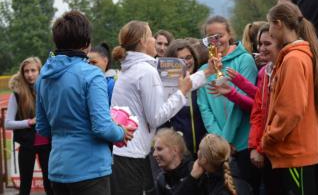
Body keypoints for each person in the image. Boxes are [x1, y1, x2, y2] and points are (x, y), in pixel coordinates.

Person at [35, 11, 133, 195]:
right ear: (87, 43)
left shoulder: (43, 78)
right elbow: (102, 127)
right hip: (90, 170)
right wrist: (121, 132)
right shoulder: (92, 74)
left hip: (57, 169)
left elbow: (43, 128)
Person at [110, 21, 192, 195]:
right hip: (133, 156)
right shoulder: (145, 71)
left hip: (123, 153)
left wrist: (206, 74)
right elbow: (156, 117)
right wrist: (181, 92)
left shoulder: (129, 69)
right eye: (151, 36)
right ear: (142, 41)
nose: (155, 40)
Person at [261, 1, 318, 195]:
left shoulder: (293, 59)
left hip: (295, 151)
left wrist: (270, 137)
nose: (271, 33)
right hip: (296, 150)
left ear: (279, 23)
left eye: (271, 26)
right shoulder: (296, 56)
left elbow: (292, 109)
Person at [209, 24, 283, 194]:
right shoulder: (264, 71)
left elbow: (268, 108)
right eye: (260, 44)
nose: (262, 48)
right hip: (258, 145)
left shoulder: (246, 61)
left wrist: (254, 146)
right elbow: (260, 105)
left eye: (267, 44)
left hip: (269, 146)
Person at [197, 16, 259, 193]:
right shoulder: (204, 70)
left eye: (220, 35)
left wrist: (226, 140)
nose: (216, 41)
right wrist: (219, 142)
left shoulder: (244, 60)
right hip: (219, 150)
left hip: (242, 144)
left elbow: (242, 102)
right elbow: (204, 107)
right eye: (211, 38)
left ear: (230, 34)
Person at [5, 57, 53, 195]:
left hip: (46, 142)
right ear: (22, 73)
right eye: (26, 71)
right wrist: (29, 122)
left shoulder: (48, 89)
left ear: (39, 71)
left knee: (50, 182)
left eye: (33, 70)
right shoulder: (17, 94)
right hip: (27, 143)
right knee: (25, 184)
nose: (30, 74)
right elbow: (7, 124)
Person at [164, 39, 208, 157]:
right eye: (181, 60)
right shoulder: (167, 88)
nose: (186, 62)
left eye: (188, 57)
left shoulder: (204, 82)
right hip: (179, 153)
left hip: (206, 150)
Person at [179, 134, 252, 195]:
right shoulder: (237, 175)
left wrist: (191, 178)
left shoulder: (219, 189)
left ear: (204, 160)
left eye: (199, 149)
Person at [153, 128, 193, 195]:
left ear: (175, 150)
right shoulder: (161, 180)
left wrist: (192, 178)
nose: (154, 154)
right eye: (154, 149)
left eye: (159, 149)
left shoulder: (193, 171)